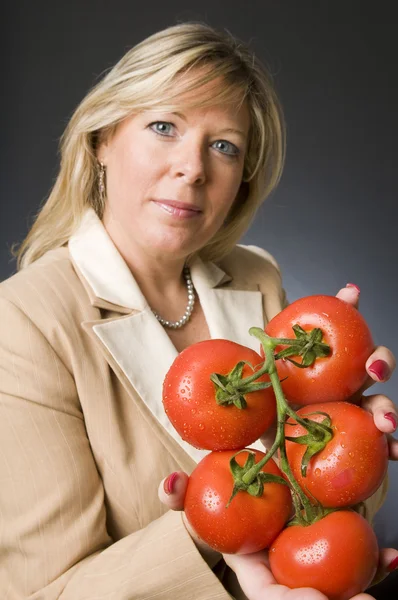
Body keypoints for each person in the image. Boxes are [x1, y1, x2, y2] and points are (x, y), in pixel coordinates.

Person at [0, 22, 396, 600]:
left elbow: (333, 500)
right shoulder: (23, 321)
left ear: (241, 180)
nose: (192, 168)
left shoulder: (258, 277)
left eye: (224, 146)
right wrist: (212, 521)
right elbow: (43, 593)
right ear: (102, 140)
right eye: (164, 127)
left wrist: (350, 427)